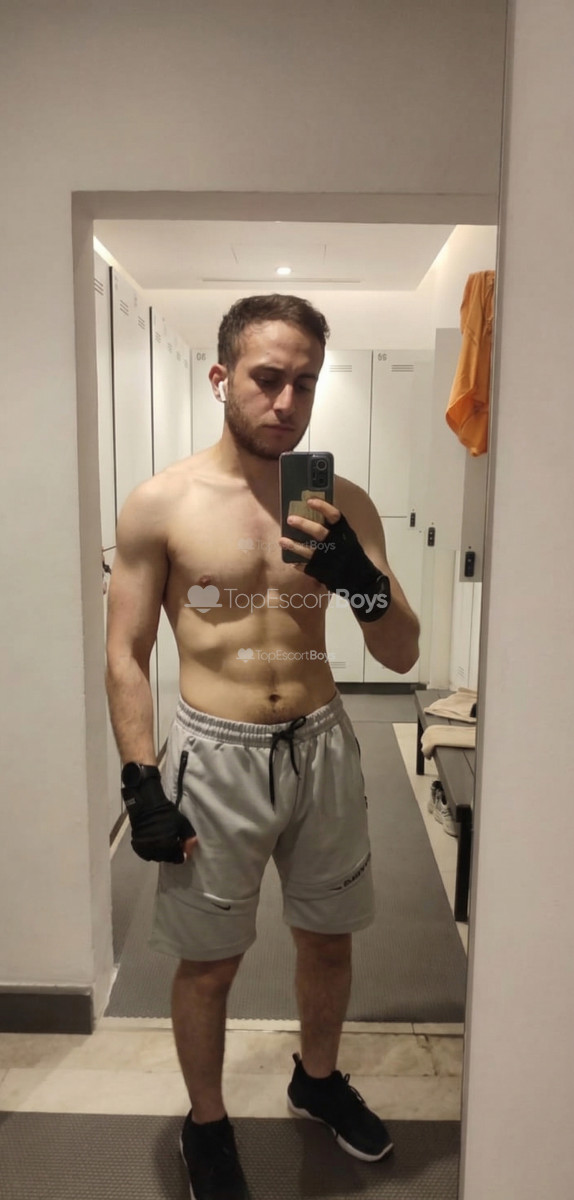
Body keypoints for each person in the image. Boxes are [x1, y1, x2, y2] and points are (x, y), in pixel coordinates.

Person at [105, 294, 420, 1200]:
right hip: (215, 755)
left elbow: (400, 652)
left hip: (321, 745)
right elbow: (126, 652)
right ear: (222, 378)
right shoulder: (162, 503)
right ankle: (206, 1126)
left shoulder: (343, 503)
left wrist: (360, 583)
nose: (287, 401)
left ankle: (316, 1082)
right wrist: (141, 781)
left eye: (305, 383)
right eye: (267, 378)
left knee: (329, 940)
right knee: (209, 962)